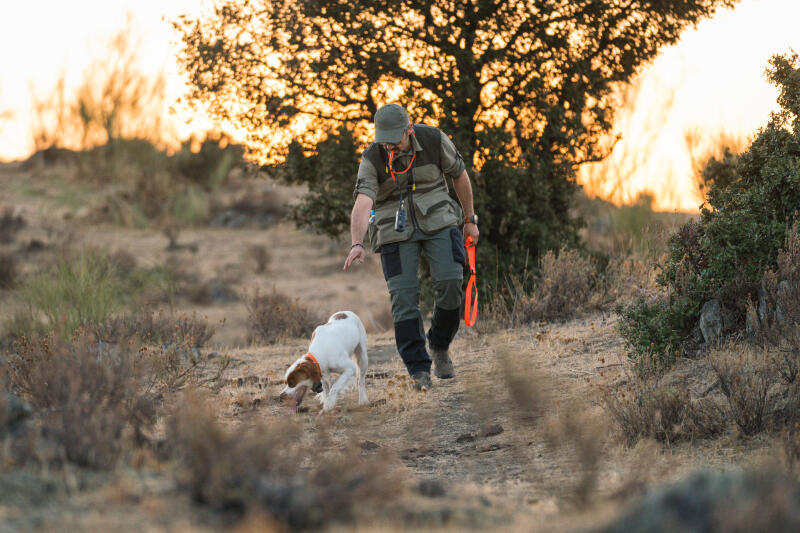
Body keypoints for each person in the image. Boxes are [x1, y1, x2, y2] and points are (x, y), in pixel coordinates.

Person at [343, 103, 479, 390]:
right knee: (403, 299)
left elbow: (460, 175)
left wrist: (470, 219)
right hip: (394, 227)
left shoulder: (433, 139)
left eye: (396, 138)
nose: (391, 144)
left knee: (451, 283)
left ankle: (439, 346)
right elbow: (363, 201)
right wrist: (357, 242)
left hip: (439, 218)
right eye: (385, 139)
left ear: (409, 129)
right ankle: (418, 370)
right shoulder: (372, 157)